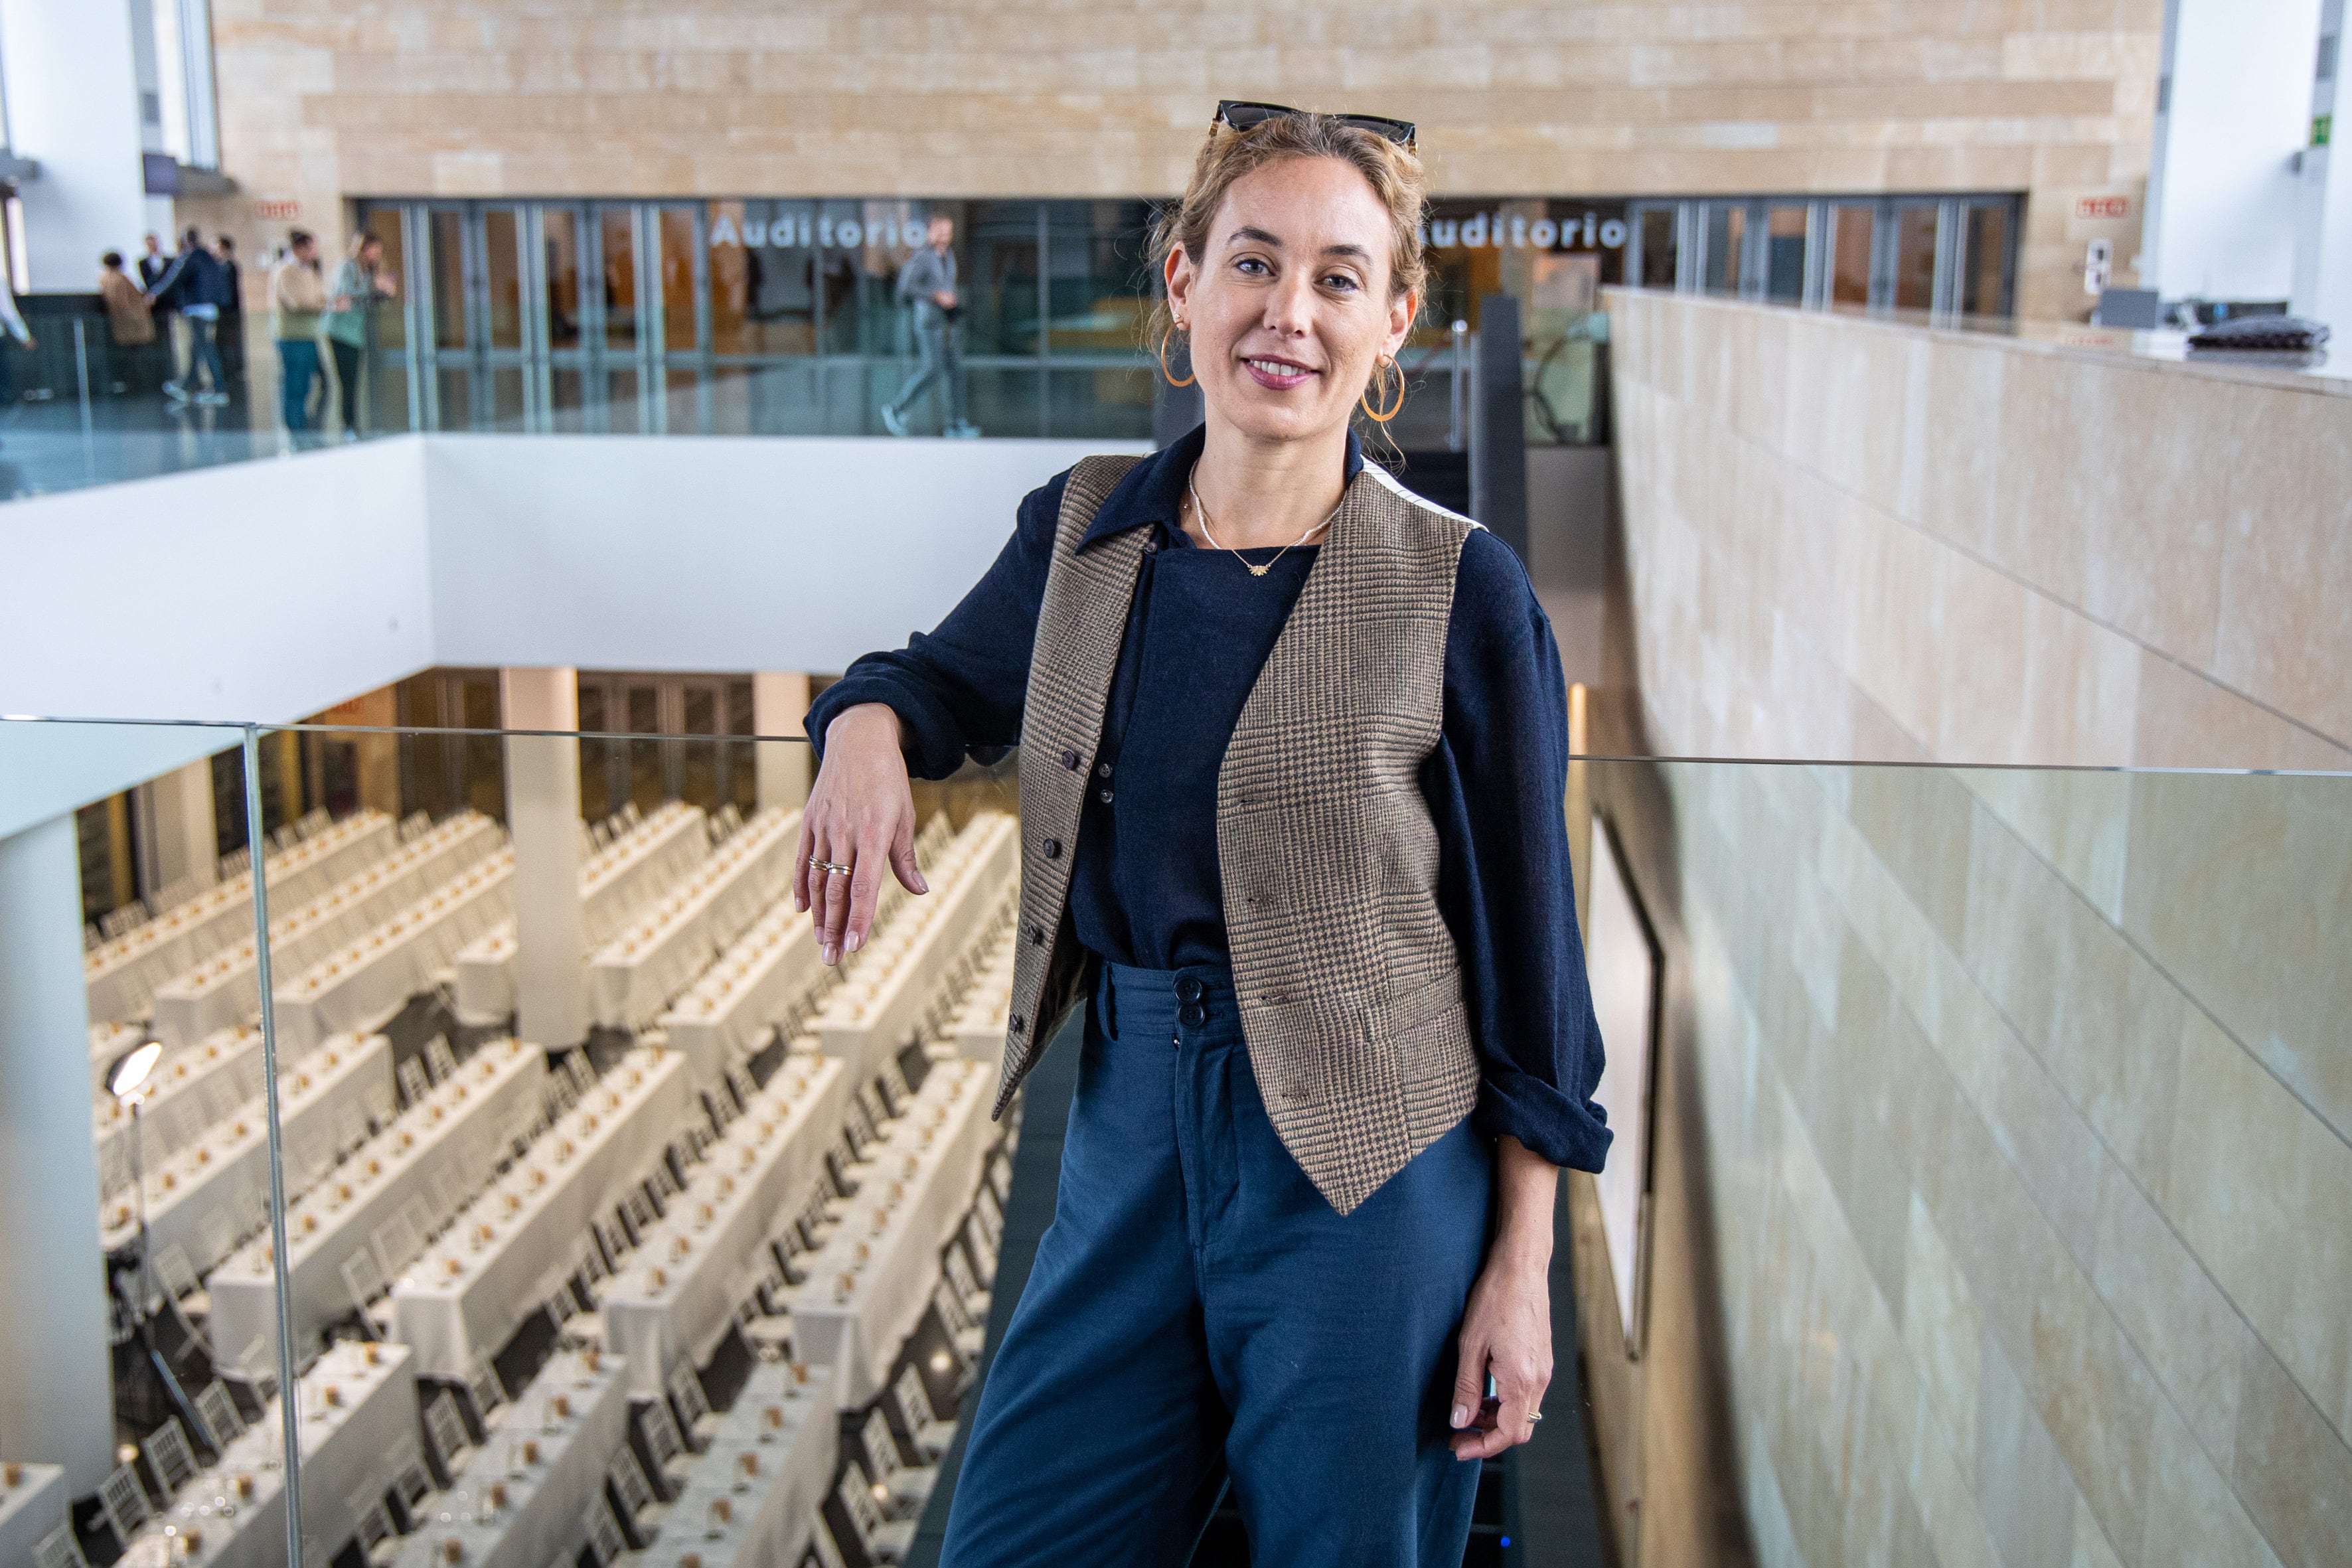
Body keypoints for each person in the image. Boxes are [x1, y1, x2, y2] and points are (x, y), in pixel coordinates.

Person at [799, 104, 1609, 1567]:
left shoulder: (1461, 587)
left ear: (1393, 318)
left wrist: (1519, 1266)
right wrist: (859, 730)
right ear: (1183, 283)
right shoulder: (1085, 528)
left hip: (1371, 1167)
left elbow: (1536, 965)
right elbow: (933, 681)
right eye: (1252, 261)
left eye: (1338, 276)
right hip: (1126, 1126)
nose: (1287, 312)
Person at [879, 212, 978, 437]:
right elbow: (906, 287)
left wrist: (951, 300)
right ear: (930, 232)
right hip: (929, 322)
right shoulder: (922, 256)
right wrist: (936, 296)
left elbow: (946, 283)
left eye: (948, 232)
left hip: (947, 324)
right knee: (932, 369)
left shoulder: (948, 255)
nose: (944, 236)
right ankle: (896, 409)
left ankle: (955, 423)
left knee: (955, 371)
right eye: (940, 231)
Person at [322, 231, 396, 439]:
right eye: (376, 250)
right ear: (364, 249)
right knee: (347, 380)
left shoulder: (369, 271)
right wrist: (375, 291)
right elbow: (345, 299)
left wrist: (385, 293)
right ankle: (348, 425)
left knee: (354, 380)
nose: (379, 255)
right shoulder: (348, 267)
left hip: (355, 333)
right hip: (339, 332)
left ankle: (352, 423)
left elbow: (366, 302)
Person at [147, 227, 232, 406]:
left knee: (205, 347)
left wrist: (154, 293)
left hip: (196, 309)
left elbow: (174, 279)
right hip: (209, 308)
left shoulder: (190, 258)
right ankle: (187, 383)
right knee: (197, 347)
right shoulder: (209, 258)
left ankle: (219, 389)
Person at [270, 230, 327, 434]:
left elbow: (320, 297)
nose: (315, 252)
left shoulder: (309, 271)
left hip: (309, 335)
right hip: (291, 338)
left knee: (307, 385)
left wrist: (321, 303)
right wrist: (320, 305)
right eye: (312, 248)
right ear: (299, 248)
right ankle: (294, 431)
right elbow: (297, 304)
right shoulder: (285, 272)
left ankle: (303, 427)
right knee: (294, 386)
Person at [213, 234, 246, 391]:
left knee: (231, 342)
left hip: (230, 313)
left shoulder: (230, 267)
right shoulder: (219, 267)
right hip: (222, 313)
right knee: (222, 343)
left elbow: (229, 292)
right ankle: (226, 370)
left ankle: (233, 371)